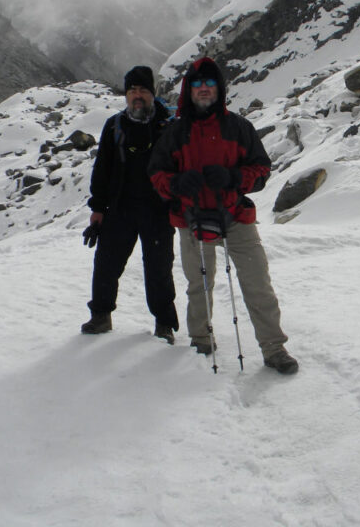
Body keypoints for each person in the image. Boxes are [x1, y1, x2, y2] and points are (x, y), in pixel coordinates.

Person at [148, 57, 298, 374]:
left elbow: (261, 170)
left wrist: (233, 178)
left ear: (219, 89)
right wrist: (175, 184)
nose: (204, 89)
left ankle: (274, 347)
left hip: (235, 215)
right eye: (198, 84)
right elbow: (157, 174)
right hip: (191, 217)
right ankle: (201, 341)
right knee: (198, 286)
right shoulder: (175, 132)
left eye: (210, 84)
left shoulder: (238, 128)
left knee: (258, 283)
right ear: (189, 90)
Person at [81, 65, 179, 343]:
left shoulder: (168, 125)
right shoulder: (114, 125)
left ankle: (164, 323)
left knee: (159, 268)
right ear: (126, 95)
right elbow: (102, 169)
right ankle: (101, 314)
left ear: (152, 94)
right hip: (120, 208)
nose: (137, 95)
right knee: (106, 264)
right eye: (132, 90)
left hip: (158, 210)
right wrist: (97, 210)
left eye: (143, 90)